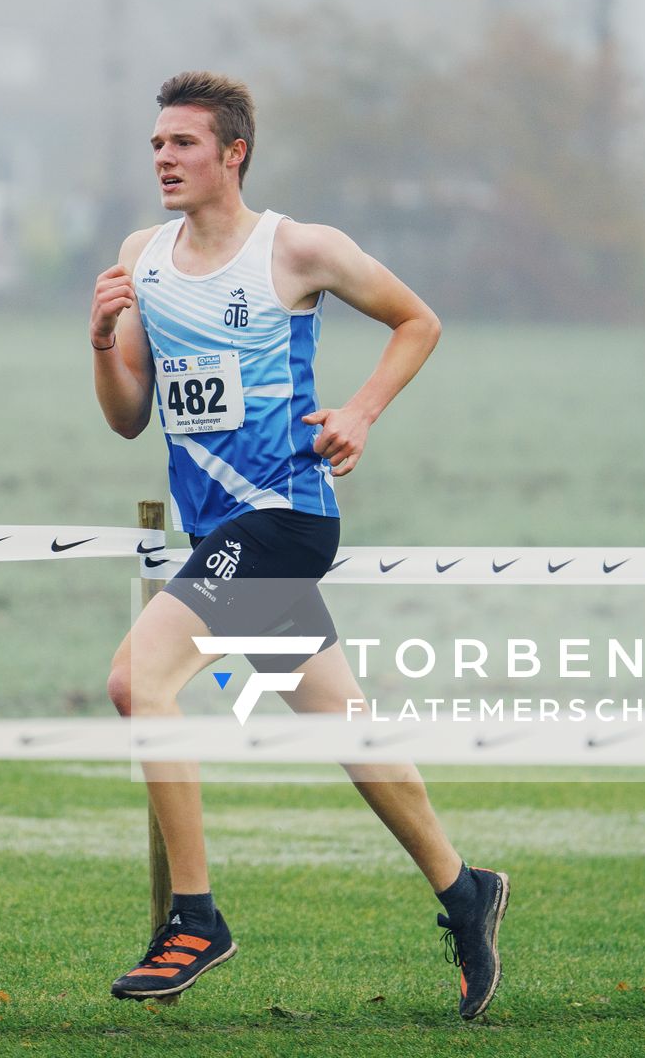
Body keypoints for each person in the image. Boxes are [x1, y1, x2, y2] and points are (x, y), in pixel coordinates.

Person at [88, 73, 509, 1020]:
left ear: (232, 153)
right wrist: (101, 340)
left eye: (183, 144)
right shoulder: (139, 259)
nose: (163, 157)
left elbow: (419, 321)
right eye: (156, 143)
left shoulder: (299, 249)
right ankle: (464, 890)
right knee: (347, 727)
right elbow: (126, 419)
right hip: (217, 534)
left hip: (283, 520)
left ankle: (195, 918)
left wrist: (360, 412)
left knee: (135, 681)